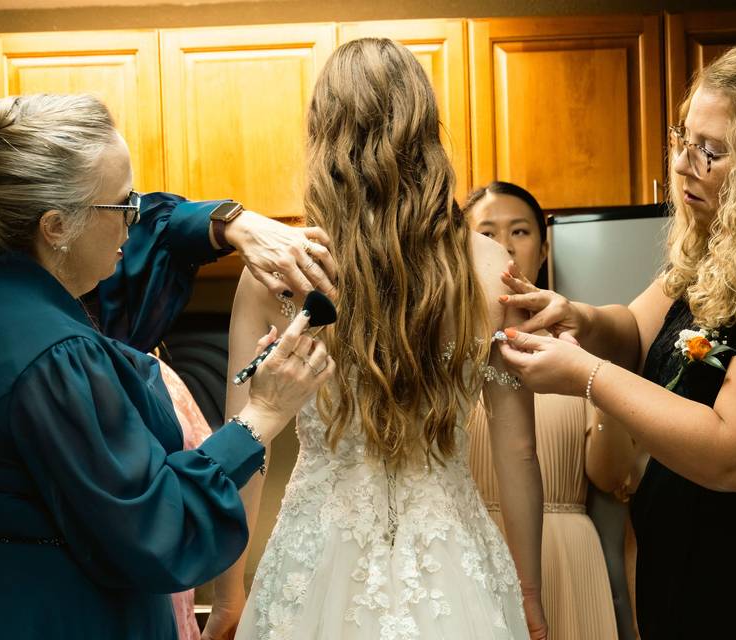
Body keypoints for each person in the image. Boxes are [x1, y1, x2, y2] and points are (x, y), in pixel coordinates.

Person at [496, 38, 736, 638]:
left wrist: (586, 377)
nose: (682, 164)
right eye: (684, 139)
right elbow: (633, 332)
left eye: (710, 151)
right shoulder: (722, 245)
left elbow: (735, 454)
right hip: (703, 587)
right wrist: (573, 314)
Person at [0, 93, 337, 639]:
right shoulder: (55, 357)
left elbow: (146, 234)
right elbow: (160, 529)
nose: (135, 221)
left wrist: (232, 224)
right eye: (124, 205)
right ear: (55, 226)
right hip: (54, 616)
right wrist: (262, 413)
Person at [214, 38, 548, 639]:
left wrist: (228, 593)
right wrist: (528, 590)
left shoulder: (278, 271)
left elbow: (245, 448)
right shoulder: (491, 266)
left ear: (323, 137)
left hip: (316, 561)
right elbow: (518, 450)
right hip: (455, 564)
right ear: (426, 131)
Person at [464, 181, 625, 640]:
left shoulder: (580, 344)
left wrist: (602, 386)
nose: (504, 247)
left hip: (570, 556)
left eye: (520, 231)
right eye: (487, 234)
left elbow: (610, 477)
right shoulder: (450, 349)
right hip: (474, 547)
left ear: (543, 243)